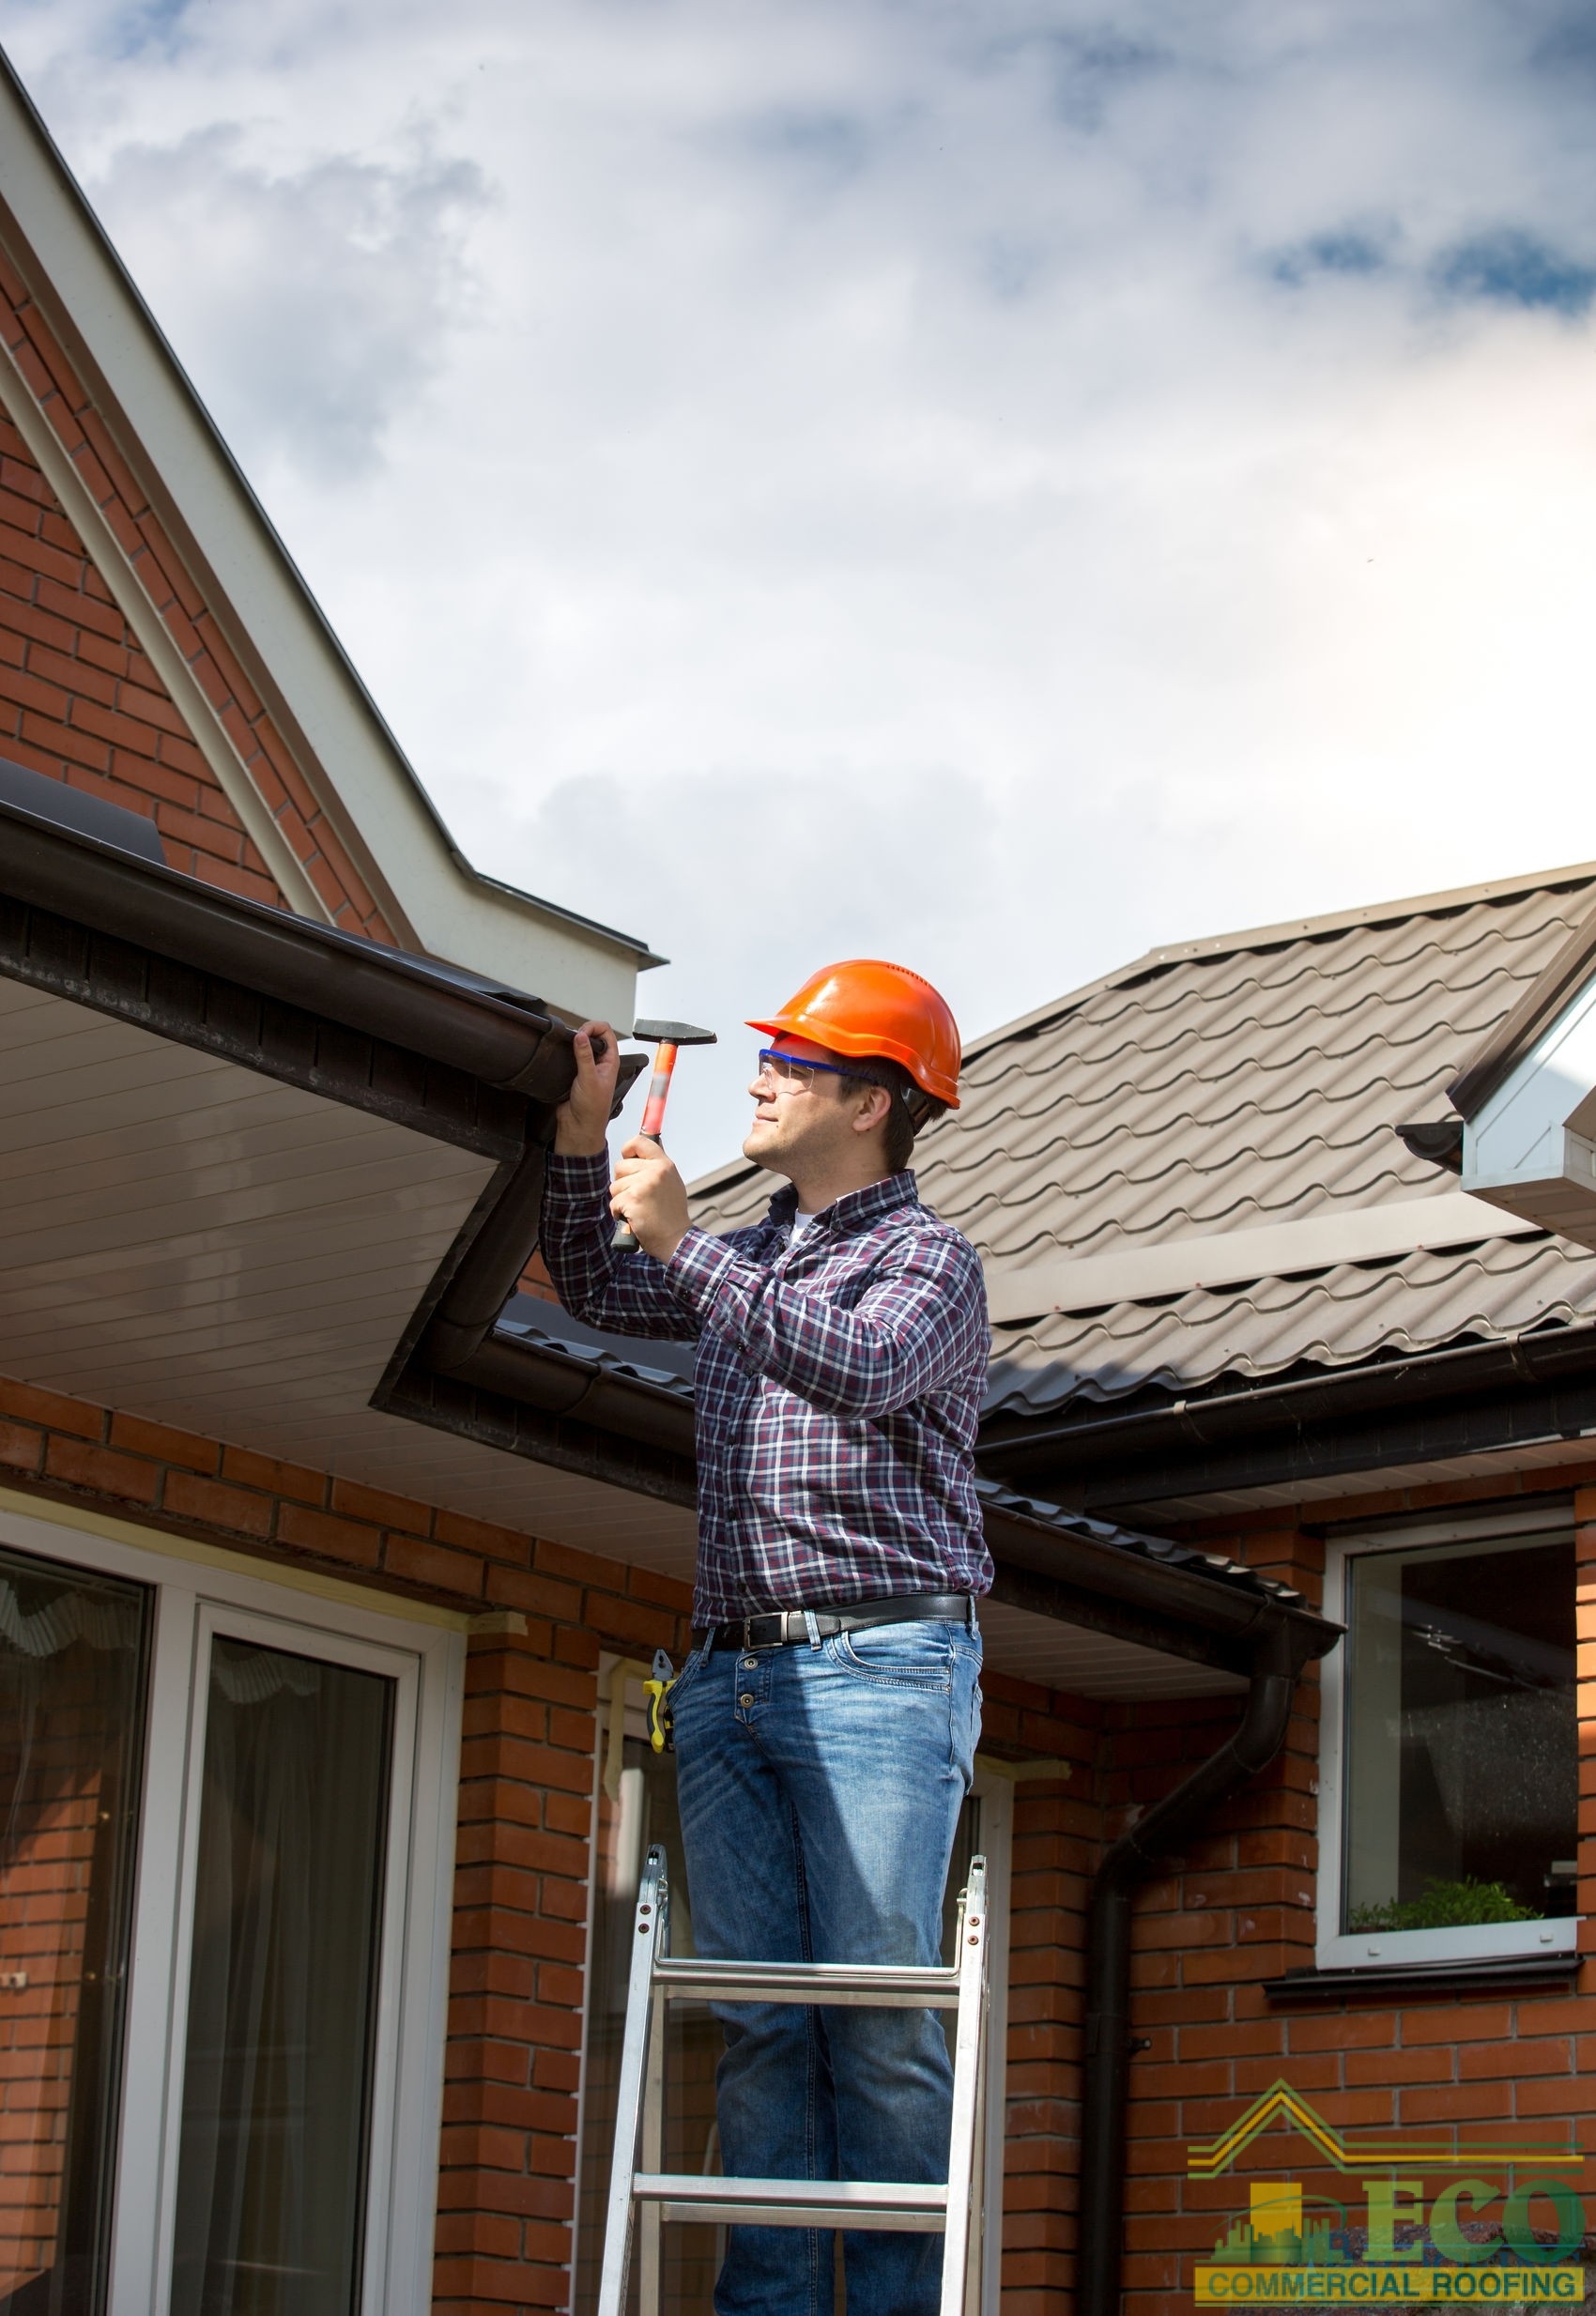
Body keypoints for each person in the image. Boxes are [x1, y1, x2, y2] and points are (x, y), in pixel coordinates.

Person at [542, 959, 991, 2316]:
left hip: (882, 1667)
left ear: (871, 1103)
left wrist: (685, 1248)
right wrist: (579, 1147)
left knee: (872, 2020)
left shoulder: (929, 1265)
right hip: (733, 1672)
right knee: (759, 2025)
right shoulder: (749, 1253)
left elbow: (853, 1368)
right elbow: (594, 1290)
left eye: (792, 1065)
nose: (761, 1077)